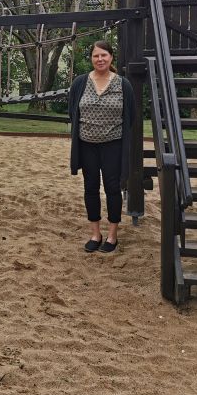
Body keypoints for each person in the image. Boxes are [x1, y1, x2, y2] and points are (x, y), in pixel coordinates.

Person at [68, 40, 135, 253]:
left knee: (112, 188)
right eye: (96, 56)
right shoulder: (80, 83)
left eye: (104, 55)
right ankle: (95, 233)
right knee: (90, 188)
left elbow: (130, 116)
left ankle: (113, 235)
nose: (100, 59)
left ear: (111, 57)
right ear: (91, 58)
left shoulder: (123, 84)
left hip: (112, 145)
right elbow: (73, 112)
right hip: (87, 144)